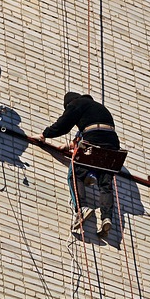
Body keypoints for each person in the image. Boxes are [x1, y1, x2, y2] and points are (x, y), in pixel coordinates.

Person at [40, 92, 121, 236]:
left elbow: (63, 125)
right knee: (105, 185)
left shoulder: (76, 104)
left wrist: (45, 134)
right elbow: (89, 131)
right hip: (113, 147)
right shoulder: (98, 109)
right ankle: (106, 217)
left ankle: (82, 208)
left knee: (75, 174)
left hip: (94, 141)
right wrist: (69, 146)